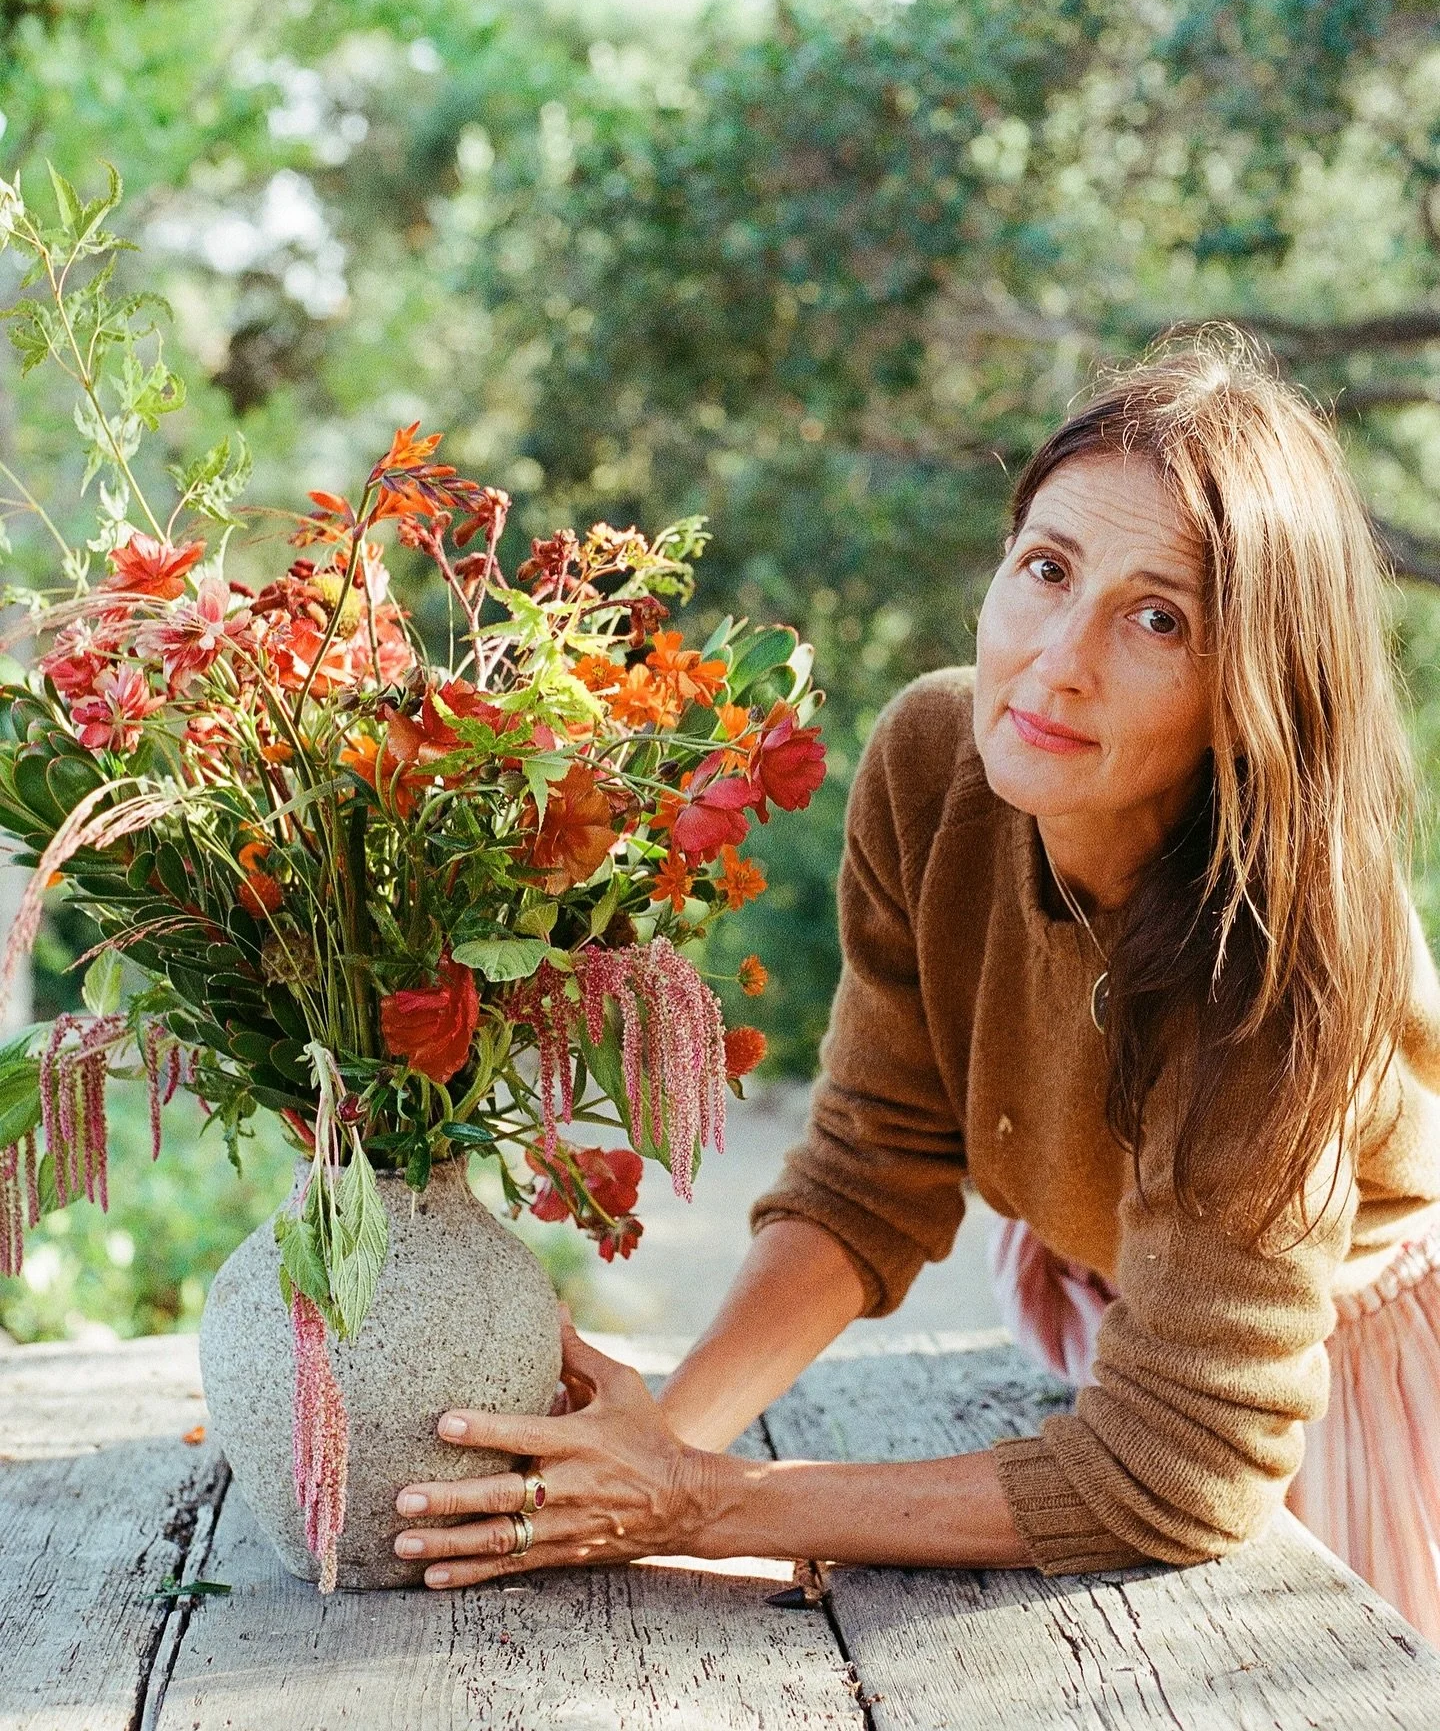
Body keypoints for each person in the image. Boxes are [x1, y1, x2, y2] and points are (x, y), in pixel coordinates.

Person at [389, 331, 1440, 1641]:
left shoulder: (1287, 929)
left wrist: (703, 1504)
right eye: (1047, 570)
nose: (1058, 659)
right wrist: (655, 1445)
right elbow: (877, 1161)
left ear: (1250, 689)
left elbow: (1184, 1471)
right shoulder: (940, 759)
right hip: (1134, 1328)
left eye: (1156, 617)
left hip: (1342, 1381)